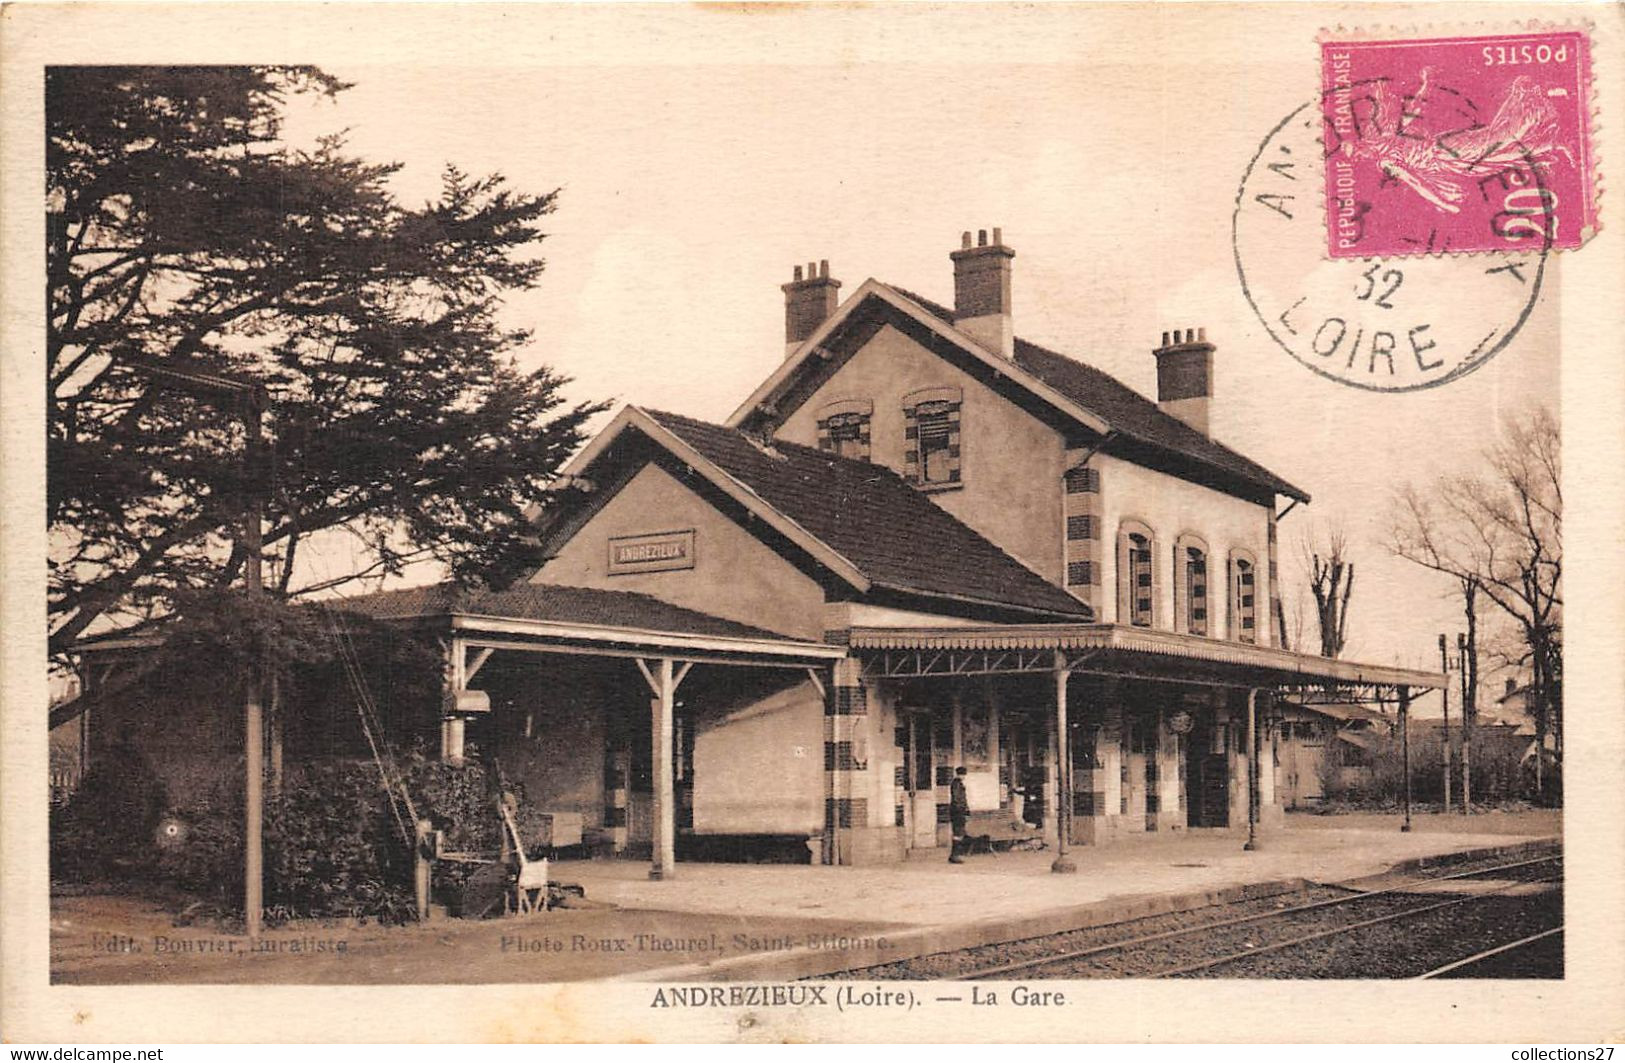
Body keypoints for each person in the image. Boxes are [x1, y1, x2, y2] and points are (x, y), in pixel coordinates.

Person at [948, 766, 970, 864]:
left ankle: (955, 854)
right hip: (958, 812)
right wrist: (963, 810)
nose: (964, 776)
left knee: (959, 833)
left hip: (957, 811)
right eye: (964, 774)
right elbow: (957, 799)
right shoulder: (957, 784)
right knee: (958, 833)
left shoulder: (957, 783)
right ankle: (954, 855)